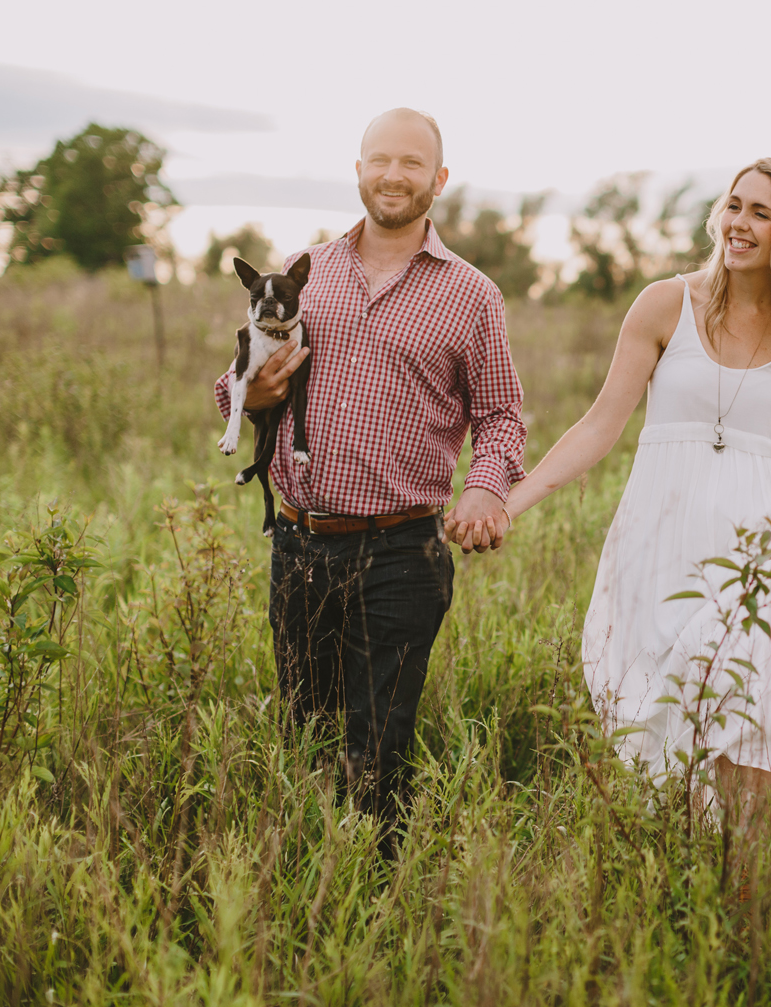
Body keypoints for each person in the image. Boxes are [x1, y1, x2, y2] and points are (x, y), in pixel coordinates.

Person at [467, 158, 771, 858]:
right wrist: (511, 502)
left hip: (752, 556)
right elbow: (600, 425)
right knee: (665, 732)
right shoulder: (666, 304)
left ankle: (747, 913)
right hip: (660, 543)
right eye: (735, 206)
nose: (740, 224)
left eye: (762, 213)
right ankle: (677, 884)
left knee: (746, 732)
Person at [213, 108, 525, 858]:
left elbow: (503, 416)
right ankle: (304, 896)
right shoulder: (300, 273)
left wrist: (485, 487)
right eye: (379, 160)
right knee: (306, 733)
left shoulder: (472, 294)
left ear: (438, 180)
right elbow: (241, 380)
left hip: (402, 552)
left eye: (412, 164)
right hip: (300, 539)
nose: (393, 174)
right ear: (358, 171)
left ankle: (378, 907)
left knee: (378, 748)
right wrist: (243, 399)